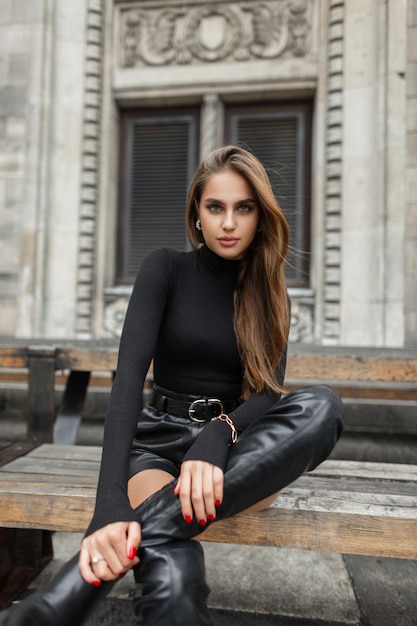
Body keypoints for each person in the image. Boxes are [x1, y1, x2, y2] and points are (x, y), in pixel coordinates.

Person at [3, 146, 344, 625]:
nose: (229, 223)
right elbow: (126, 385)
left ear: (260, 217)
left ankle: (65, 598)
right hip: (159, 443)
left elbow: (268, 393)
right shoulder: (164, 268)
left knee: (323, 406)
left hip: (232, 449)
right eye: (215, 207)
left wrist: (218, 433)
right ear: (197, 215)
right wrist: (108, 506)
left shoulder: (269, 289)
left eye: (243, 208)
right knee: (170, 566)